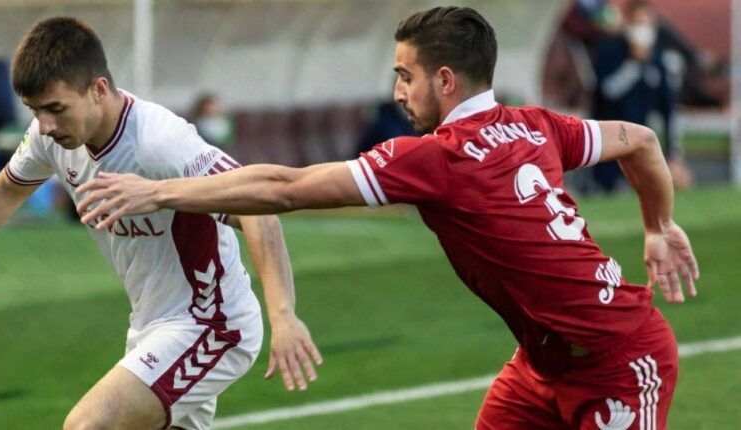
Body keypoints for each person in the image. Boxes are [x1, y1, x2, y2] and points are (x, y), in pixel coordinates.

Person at [77, 6, 700, 429]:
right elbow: (642, 141)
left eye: (406, 76)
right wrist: (657, 224)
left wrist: (162, 193)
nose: (398, 91)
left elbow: (284, 187)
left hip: (619, 360)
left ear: (446, 80)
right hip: (541, 368)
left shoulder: (438, 158)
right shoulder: (536, 125)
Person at [0, 17, 322, 430]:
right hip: (149, 325)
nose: (45, 125)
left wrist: (284, 314)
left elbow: (258, 207)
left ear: (97, 89)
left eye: (55, 109)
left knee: (88, 425)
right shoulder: (47, 135)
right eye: (34, 110)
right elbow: (3, 193)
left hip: (211, 325)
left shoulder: (157, 141)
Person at [592, 0, 694, 191]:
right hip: (611, 147)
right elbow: (608, 92)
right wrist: (634, 64)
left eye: (646, 24)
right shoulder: (609, 51)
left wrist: (674, 154)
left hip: (641, 145)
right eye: (637, 23)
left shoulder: (658, 60)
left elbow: (668, 108)